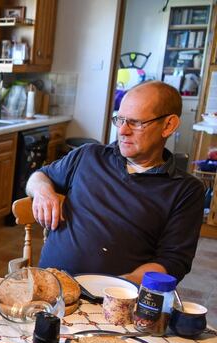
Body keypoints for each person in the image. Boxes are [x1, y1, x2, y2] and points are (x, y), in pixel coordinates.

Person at [27, 81, 204, 284]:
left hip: (112, 302)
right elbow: (40, 175)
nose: (122, 131)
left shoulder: (185, 190)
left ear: (168, 125)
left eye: (136, 123)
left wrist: (120, 286)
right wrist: (42, 190)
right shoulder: (88, 155)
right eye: (120, 120)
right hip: (48, 287)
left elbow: (173, 261)